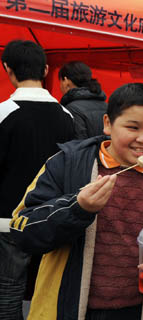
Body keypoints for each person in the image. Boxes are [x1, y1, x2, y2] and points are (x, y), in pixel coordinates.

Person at [9, 83, 143, 320]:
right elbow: (22, 229)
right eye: (132, 127)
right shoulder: (67, 164)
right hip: (71, 307)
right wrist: (77, 208)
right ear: (108, 124)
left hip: (140, 309)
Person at [0, 40, 74, 319]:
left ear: (8, 69)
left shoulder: (4, 113)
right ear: (45, 69)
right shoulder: (66, 116)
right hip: (50, 220)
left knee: (8, 289)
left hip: (8, 221)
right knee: (43, 287)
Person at [59, 61, 107, 139]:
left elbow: (78, 145)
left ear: (66, 80)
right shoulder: (106, 105)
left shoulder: (71, 109)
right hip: (105, 150)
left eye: (60, 81)